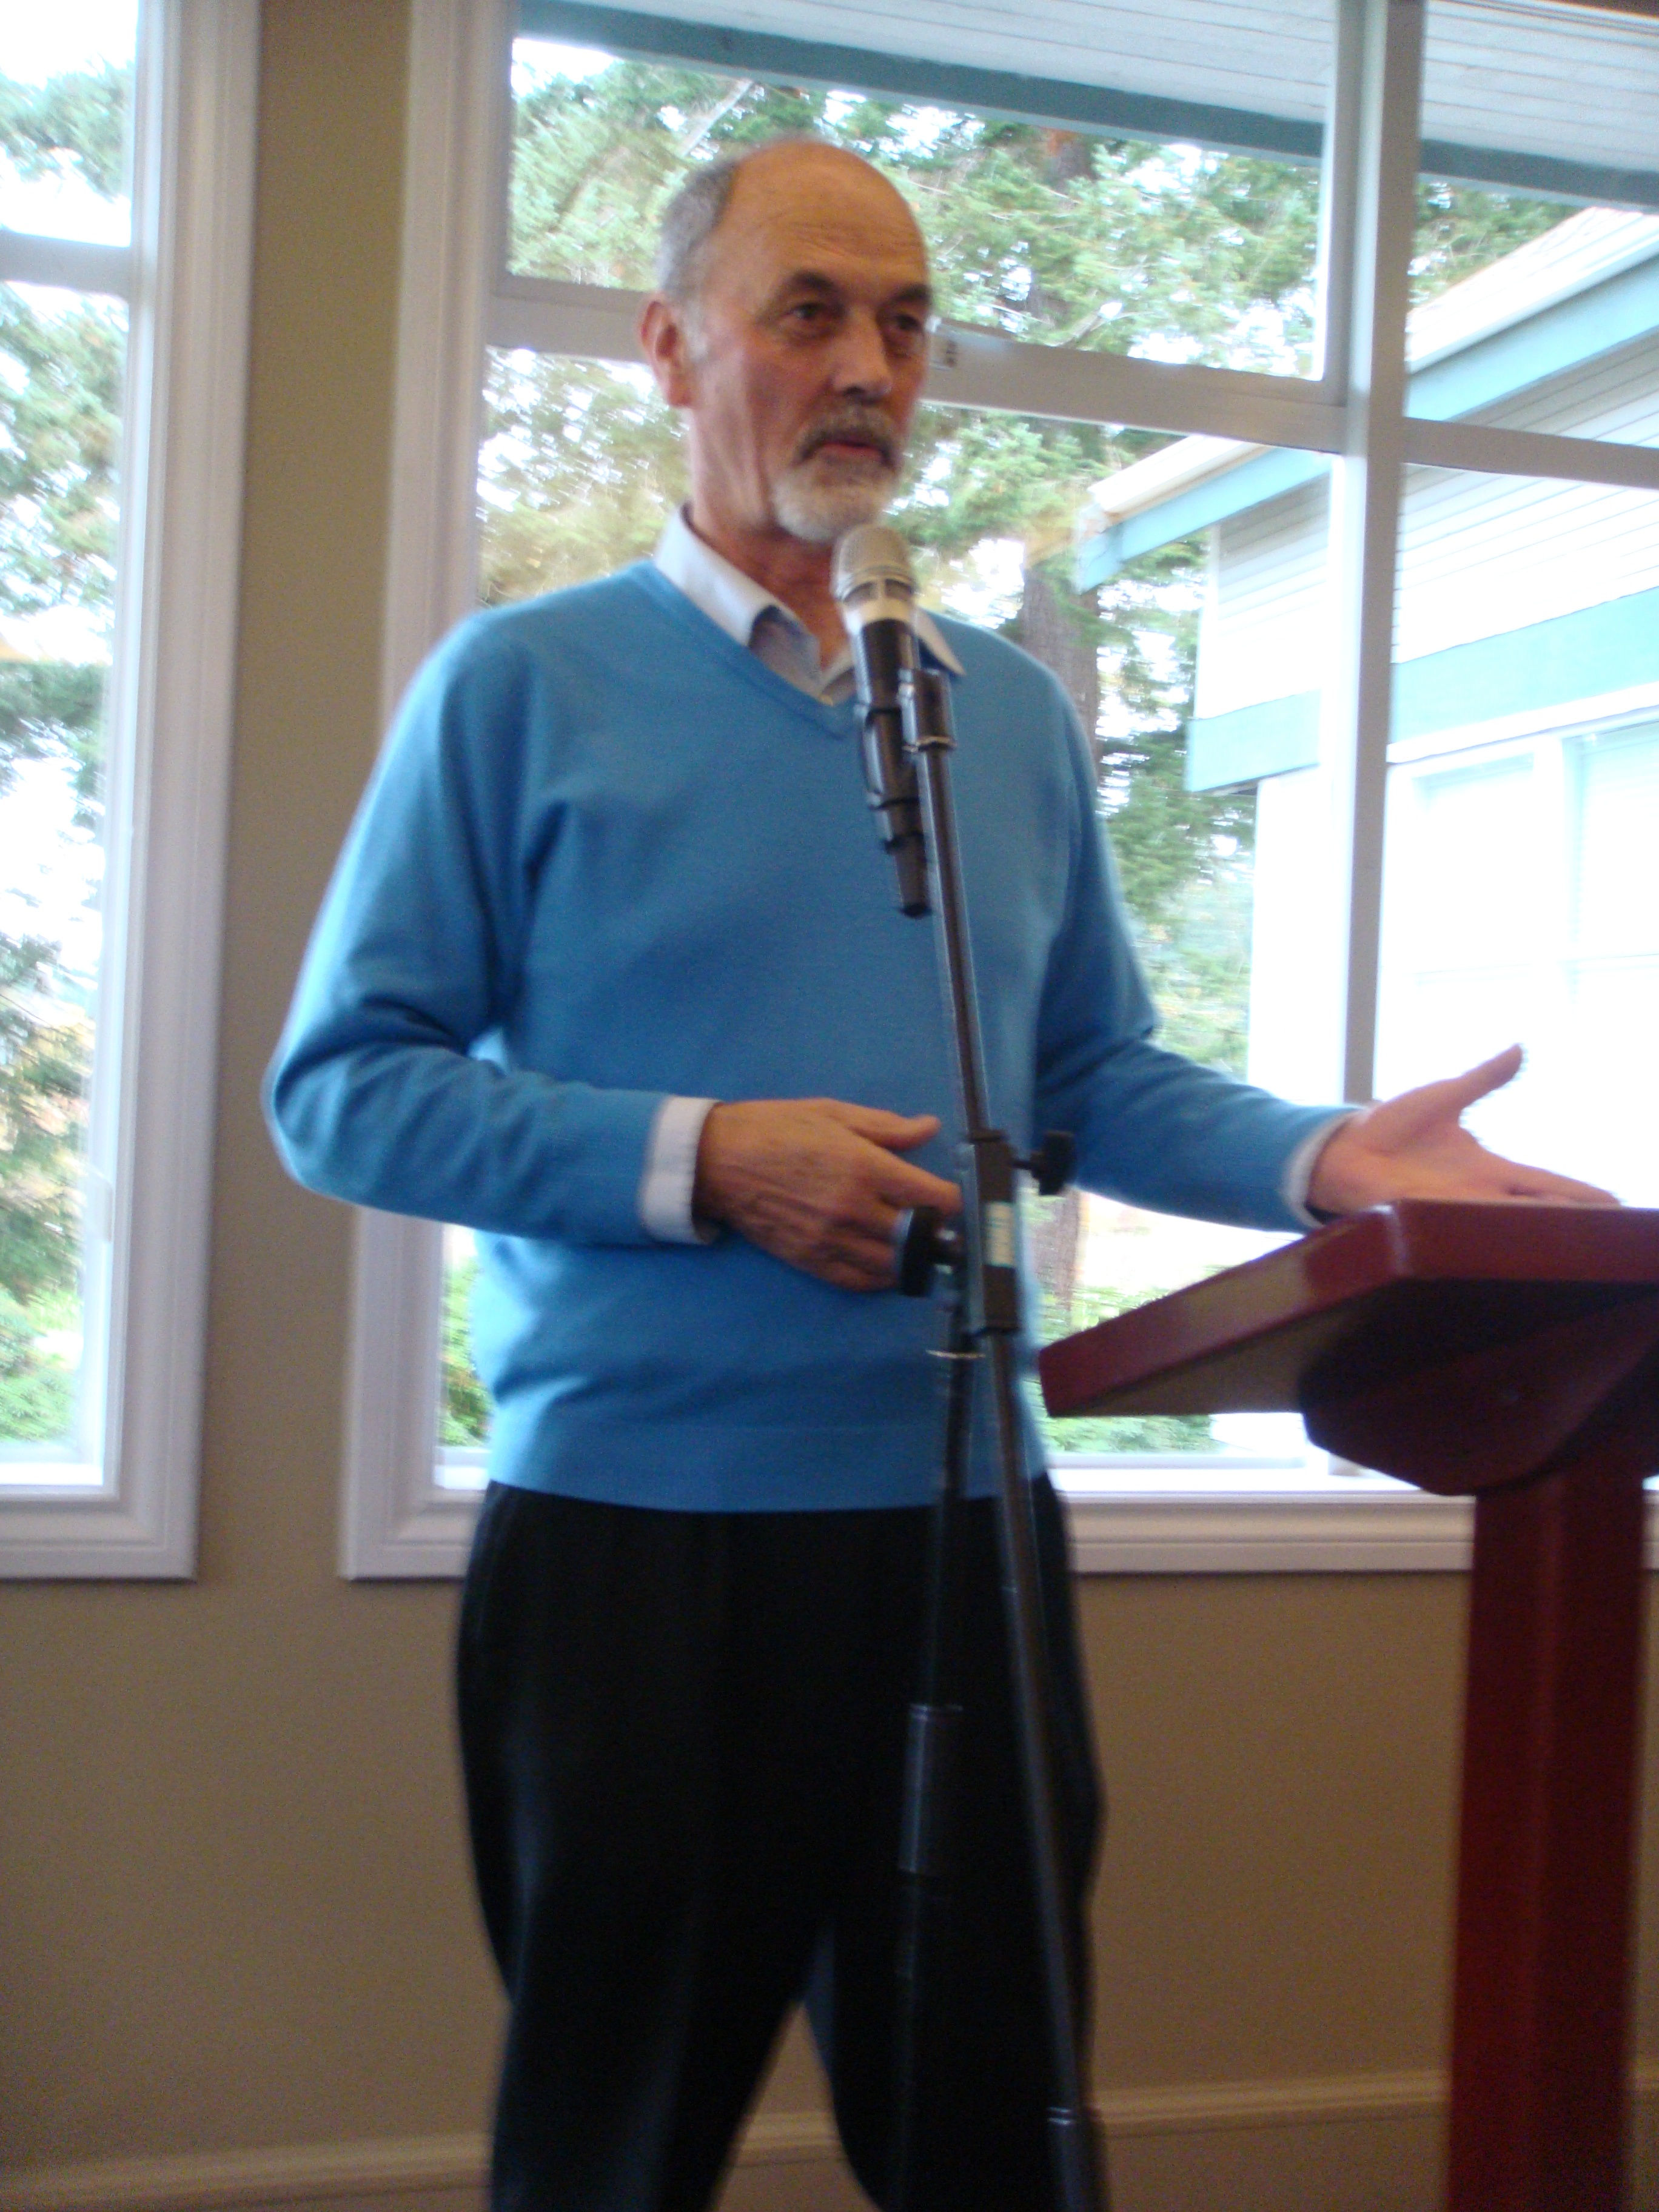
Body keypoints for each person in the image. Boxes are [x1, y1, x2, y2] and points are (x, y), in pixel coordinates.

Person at [266, 138, 1612, 2212]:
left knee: (998, 2143)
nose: (869, 369)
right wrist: (709, 1160)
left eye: (905, 325)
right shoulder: (519, 691)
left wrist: (1328, 1159)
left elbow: (1089, 1078)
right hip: (638, 1558)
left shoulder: (1008, 718)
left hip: (966, 1540)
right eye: (810, 313)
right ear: (670, 349)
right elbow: (344, 1092)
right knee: (612, 2156)